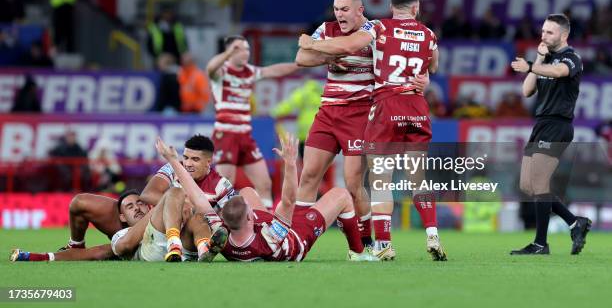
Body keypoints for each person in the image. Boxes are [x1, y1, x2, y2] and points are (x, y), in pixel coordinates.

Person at [299, 0, 445, 261]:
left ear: (389, 8)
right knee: (417, 177)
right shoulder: (429, 34)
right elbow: (432, 66)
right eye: (337, 9)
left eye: (344, 9)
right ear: (416, 9)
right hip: (412, 107)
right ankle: (432, 234)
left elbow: (348, 45)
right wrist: (424, 77)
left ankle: (379, 244)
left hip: (378, 108)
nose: (339, 14)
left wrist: (312, 44)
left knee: (375, 180)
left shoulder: (377, 28)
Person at [155, 134, 378, 262]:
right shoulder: (271, 237)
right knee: (341, 195)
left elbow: (201, 201)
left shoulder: (222, 236)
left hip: (257, 233)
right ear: (251, 217)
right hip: (295, 239)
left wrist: (174, 161)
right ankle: (358, 253)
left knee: (249, 192)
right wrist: (290, 165)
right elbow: (289, 201)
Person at [58, 134, 235, 251]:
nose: (187, 164)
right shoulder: (173, 167)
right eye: (186, 157)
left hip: (172, 237)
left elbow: (231, 222)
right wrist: (179, 204)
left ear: (208, 162)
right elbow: (148, 195)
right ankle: (76, 244)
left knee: (107, 252)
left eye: (195, 160)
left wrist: (195, 213)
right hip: (142, 221)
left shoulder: (221, 186)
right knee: (80, 202)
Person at [510, 13, 591, 255]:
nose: (543, 35)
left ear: (564, 35)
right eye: (543, 31)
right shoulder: (545, 59)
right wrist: (538, 58)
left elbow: (559, 73)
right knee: (528, 185)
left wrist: (532, 66)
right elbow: (526, 91)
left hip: (559, 125)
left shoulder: (572, 57)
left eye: (550, 32)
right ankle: (576, 223)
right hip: (541, 125)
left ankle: (540, 243)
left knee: (539, 183)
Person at [206, 35, 298, 209]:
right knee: (224, 186)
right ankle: (217, 226)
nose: (245, 52)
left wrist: (300, 64)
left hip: (245, 135)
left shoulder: (249, 72)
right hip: (226, 134)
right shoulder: (221, 72)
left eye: (247, 49)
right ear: (229, 51)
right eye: (239, 49)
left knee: (264, 184)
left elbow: (274, 70)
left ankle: (266, 225)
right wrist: (227, 54)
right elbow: (210, 68)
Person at [11, 189, 224, 263]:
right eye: (130, 207)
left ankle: (205, 248)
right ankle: (175, 243)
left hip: (181, 250)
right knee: (175, 193)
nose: (137, 207)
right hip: (151, 246)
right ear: (122, 217)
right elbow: (90, 254)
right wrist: (36, 256)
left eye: (140, 202)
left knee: (197, 218)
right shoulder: (122, 233)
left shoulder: (163, 216)